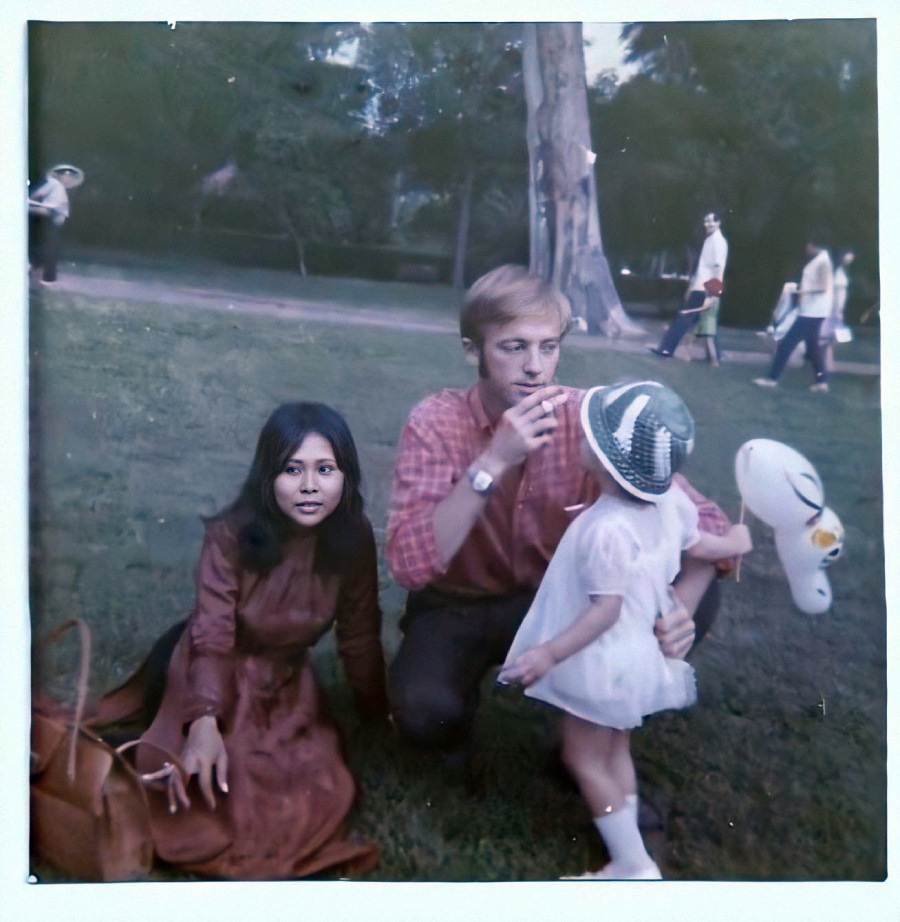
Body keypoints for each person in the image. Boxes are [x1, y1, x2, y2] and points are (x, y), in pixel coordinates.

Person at [386, 265, 733, 768]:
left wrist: (681, 604)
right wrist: (492, 462)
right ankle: (458, 721)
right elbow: (409, 564)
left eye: (548, 347)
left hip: (562, 600)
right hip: (462, 603)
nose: (535, 367)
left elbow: (707, 521)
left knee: (688, 588)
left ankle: (583, 741)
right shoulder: (435, 423)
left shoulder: (588, 418)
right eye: (514, 347)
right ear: (472, 350)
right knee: (425, 713)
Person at [101, 402, 389, 880]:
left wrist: (377, 712)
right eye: (292, 470)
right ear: (267, 476)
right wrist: (205, 720)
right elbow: (212, 635)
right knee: (222, 784)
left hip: (286, 677)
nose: (310, 485)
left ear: (347, 476)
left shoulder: (353, 535)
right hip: (213, 665)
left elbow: (358, 635)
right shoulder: (230, 534)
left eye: (325, 469)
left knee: (319, 784)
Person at [498, 381, 752, 880]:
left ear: (604, 459)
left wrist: (548, 654)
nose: (579, 438)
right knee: (615, 751)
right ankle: (630, 852)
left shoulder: (606, 529)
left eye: (589, 435)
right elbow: (701, 546)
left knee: (583, 758)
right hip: (635, 659)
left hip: (601, 660)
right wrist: (736, 541)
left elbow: (604, 611)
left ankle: (633, 865)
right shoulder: (670, 504)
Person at [753, 233, 834, 392]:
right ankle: (822, 381)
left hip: (811, 311)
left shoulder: (822, 261)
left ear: (813, 244)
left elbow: (823, 287)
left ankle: (772, 378)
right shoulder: (821, 260)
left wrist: (801, 291)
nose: (806, 247)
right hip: (814, 311)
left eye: (808, 244)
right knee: (813, 347)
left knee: (787, 344)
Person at [650, 211, 728, 363]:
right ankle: (716, 354)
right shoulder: (711, 240)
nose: (708, 224)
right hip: (703, 287)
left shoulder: (718, 242)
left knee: (684, 319)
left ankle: (666, 350)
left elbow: (718, 268)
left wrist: (713, 293)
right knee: (707, 321)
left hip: (704, 288)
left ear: (719, 222)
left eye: (712, 221)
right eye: (706, 221)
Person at [28, 164, 84, 284]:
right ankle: (38, 279)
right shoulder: (53, 185)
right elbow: (41, 202)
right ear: (58, 175)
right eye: (64, 174)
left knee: (46, 253)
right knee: (41, 253)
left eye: (70, 175)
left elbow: (56, 209)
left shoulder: (59, 188)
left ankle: (43, 279)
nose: (67, 177)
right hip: (44, 222)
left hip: (53, 224)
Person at [819, 249, 855, 375]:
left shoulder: (841, 272)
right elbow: (836, 296)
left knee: (831, 337)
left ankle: (827, 362)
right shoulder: (836, 273)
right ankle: (825, 363)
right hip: (833, 309)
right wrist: (838, 311)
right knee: (826, 337)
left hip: (836, 308)